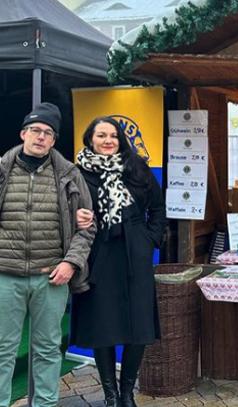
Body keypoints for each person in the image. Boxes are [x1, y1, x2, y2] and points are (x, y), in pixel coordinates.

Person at [0, 103, 96, 407]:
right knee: (2, 349)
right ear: (23, 133)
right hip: (6, 276)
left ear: (54, 141)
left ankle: (44, 404)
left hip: (51, 277)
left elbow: (87, 227)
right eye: (36, 130)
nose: (41, 137)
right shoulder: (2, 171)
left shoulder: (69, 174)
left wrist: (71, 263)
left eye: (48, 133)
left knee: (47, 348)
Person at [70, 116, 167, 407]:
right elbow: (66, 208)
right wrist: (76, 218)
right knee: (104, 325)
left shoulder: (137, 167)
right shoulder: (79, 173)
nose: (108, 140)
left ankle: (127, 393)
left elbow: (158, 207)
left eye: (113, 135)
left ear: (120, 139)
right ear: (90, 139)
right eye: (101, 135)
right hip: (99, 253)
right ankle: (110, 395)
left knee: (139, 325)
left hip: (135, 251)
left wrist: (150, 238)